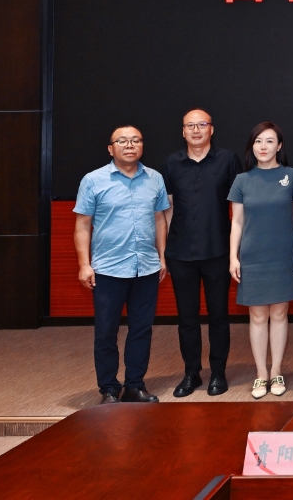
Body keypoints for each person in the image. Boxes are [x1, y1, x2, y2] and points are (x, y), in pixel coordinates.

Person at [73, 126, 169, 404]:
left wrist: (162, 257)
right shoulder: (93, 180)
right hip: (107, 269)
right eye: (122, 141)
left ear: (142, 145)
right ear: (110, 148)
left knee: (141, 329)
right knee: (106, 332)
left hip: (146, 267)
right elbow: (82, 226)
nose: (129, 145)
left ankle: (135, 386)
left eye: (135, 140)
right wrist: (84, 264)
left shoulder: (154, 178)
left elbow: (160, 220)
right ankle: (109, 389)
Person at [162, 108, 242, 398]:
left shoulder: (228, 160)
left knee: (218, 315)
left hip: (217, 250)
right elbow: (168, 208)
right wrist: (165, 250)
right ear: (183, 131)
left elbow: (239, 207)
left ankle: (218, 373)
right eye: (190, 126)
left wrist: (236, 251)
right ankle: (191, 372)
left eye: (202, 125)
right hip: (180, 252)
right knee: (187, 317)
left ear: (211, 129)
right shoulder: (172, 163)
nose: (196, 130)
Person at [229, 123, 293, 399]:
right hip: (253, 256)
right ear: (252, 146)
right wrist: (233, 257)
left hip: (284, 254)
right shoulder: (242, 180)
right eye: (258, 141)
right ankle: (261, 374)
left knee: (279, 314)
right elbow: (237, 222)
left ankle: (276, 371)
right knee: (258, 315)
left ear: (279, 146)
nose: (263, 146)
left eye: (270, 141)